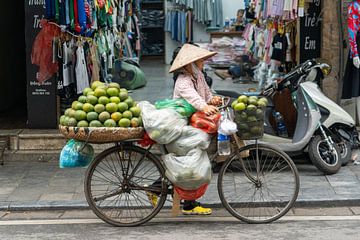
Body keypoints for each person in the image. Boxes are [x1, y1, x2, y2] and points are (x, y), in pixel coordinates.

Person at [169, 43, 221, 215]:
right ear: (189, 63)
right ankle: (158, 189)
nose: (203, 63)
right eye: (199, 60)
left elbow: (206, 94)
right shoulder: (183, 81)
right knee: (191, 164)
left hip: (195, 123)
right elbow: (195, 100)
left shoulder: (198, 76)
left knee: (194, 164)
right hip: (181, 125)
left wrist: (212, 100)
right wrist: (205, 107)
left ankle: (189, 204)